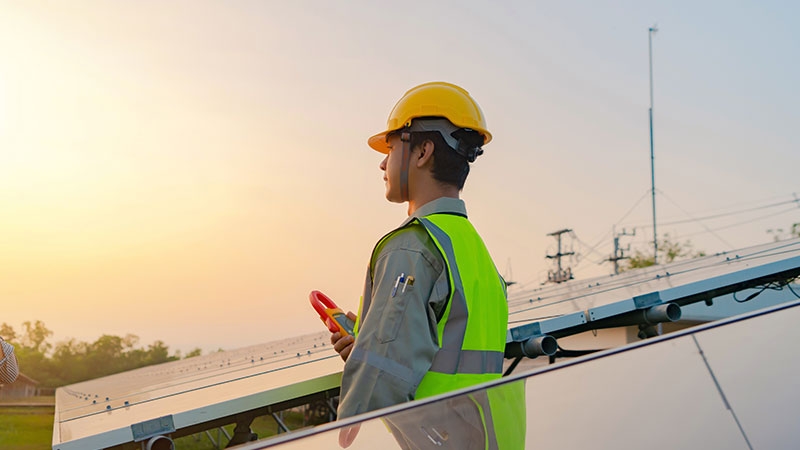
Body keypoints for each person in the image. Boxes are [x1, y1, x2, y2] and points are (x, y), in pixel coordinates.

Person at [331, 82, 524, 448]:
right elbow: (443, 352)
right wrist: (369, 344)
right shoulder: (474, 251)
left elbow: (378, 391)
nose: (383, 162)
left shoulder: (412, 248)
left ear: (422, 151)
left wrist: (367, 364)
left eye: (392, 147)